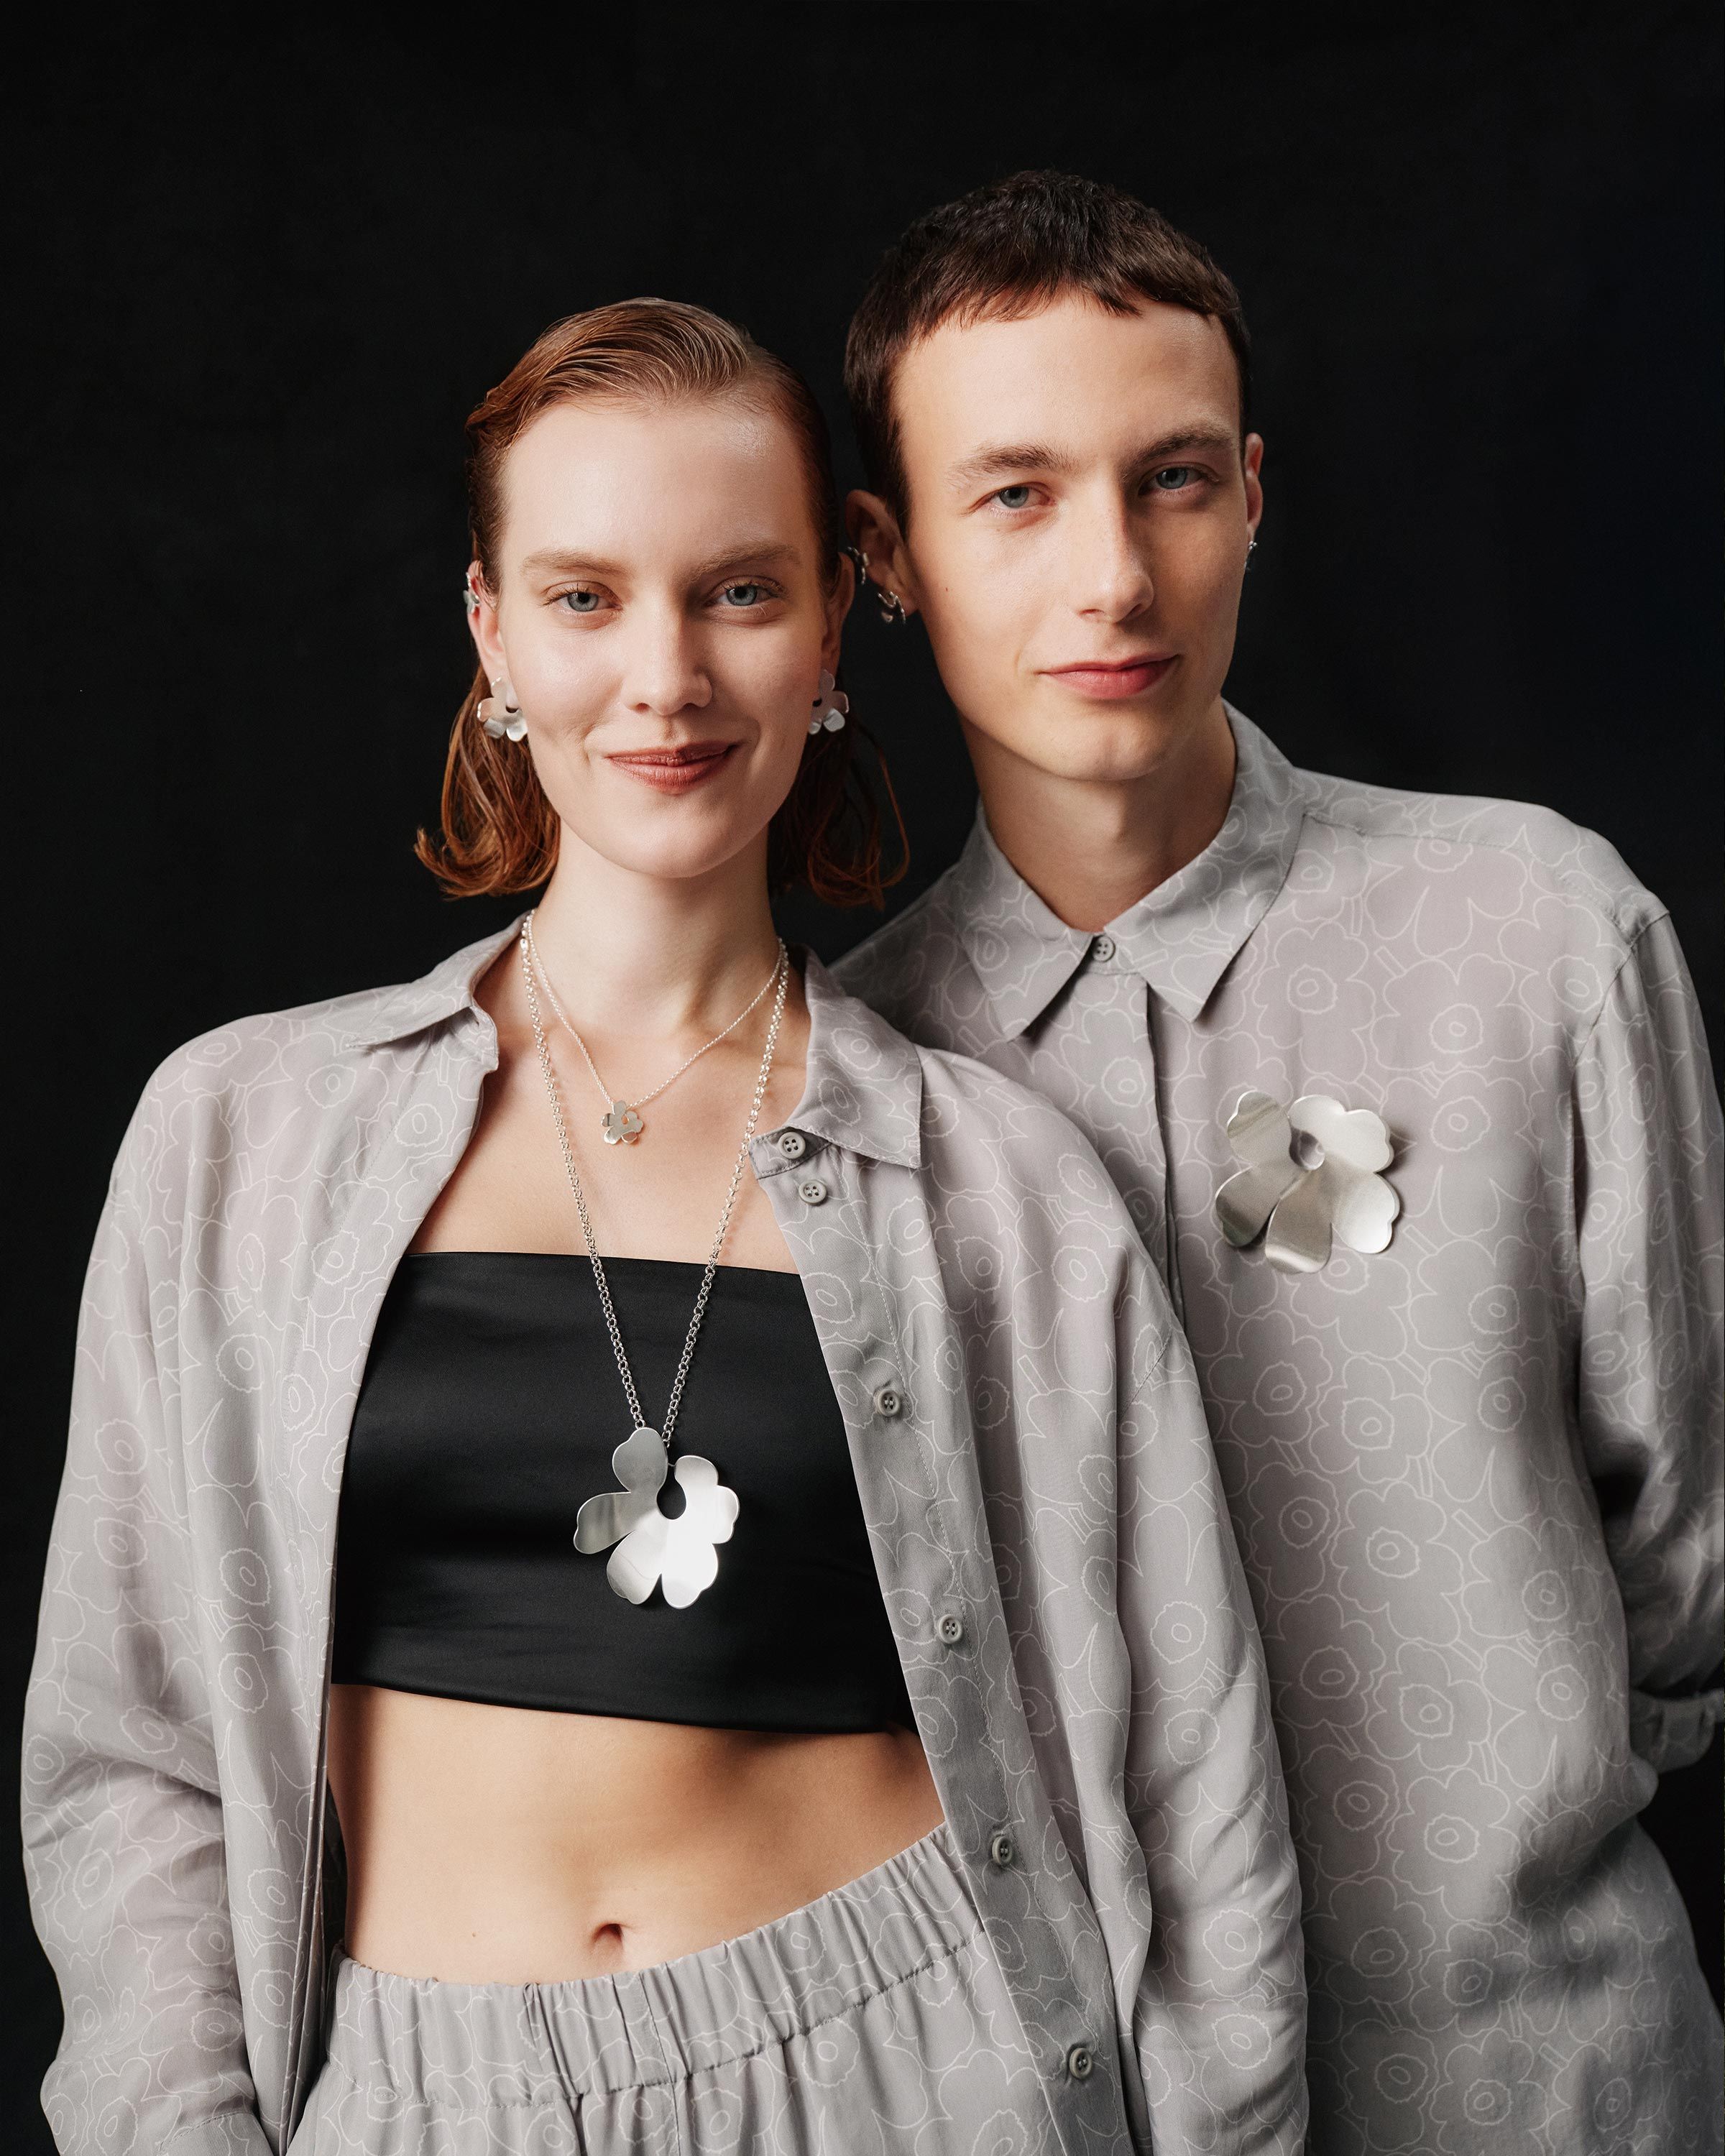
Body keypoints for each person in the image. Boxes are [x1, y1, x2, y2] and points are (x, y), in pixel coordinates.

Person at [23, 298, 1305, 2155]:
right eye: (584, 596)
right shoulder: (237, 1140)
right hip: (419, 2096)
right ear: (489, 632)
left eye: (739, 593)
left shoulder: (1002, 1190)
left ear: (836, 630)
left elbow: (1200, 1798)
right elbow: (132, 1764)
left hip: (913, 2073)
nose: (666, 680)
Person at [834, 171, 1724, 2153]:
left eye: (1170, 481)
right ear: (885, 555)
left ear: (1253, 493)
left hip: (1549, 2080)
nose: (1114, 578)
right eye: (1017, 495)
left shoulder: (1541, 934)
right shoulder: (852, 1078)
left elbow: (1687, 1552)